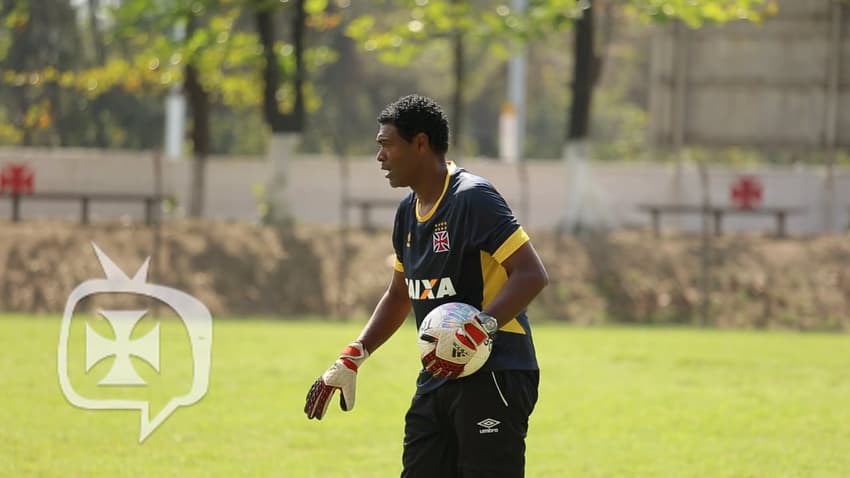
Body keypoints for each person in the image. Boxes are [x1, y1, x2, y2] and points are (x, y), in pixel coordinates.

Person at [304, 94, 549, 477]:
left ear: (420, 143)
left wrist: (481, 328)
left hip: (495, 372)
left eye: (387, 145)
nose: (380, 157)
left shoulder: (472, 198)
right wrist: (354, 355)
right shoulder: (407, 212)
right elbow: (400, 294)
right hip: (438, 373)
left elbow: (532, 274)